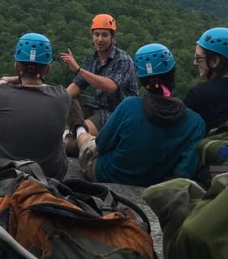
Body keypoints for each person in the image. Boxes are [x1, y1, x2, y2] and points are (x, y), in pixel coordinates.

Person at [70, 43, 205, 187]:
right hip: (154, 184)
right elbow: (184, 172)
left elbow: (101, 144)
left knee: (86, 140)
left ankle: (78, 128)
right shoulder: (195, 122)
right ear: (172, 74)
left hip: (107, 172)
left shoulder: (129, 106)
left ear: (141, 78)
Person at [0, 33, 69, 181]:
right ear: (48, 69)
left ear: (16, 67)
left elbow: (2, 81)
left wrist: (17, 77)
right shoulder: (62, 96)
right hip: (50, 175)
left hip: (6, 173)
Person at [60, 14, 137, 135]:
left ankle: (79, 134)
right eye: (96, 34)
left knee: (72, 145)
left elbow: (111, 86)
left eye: (105, 35)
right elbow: (78, 84)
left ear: (112, 37)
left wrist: (79, 69)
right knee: (67, 100)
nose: (100, 39)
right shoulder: (92, 57)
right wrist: (58, 100)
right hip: (95, 107)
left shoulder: (123, 60)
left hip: (115, 113)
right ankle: (79, 132)